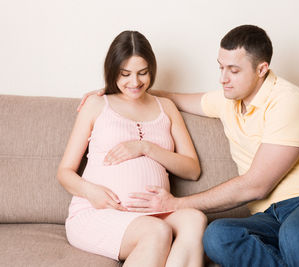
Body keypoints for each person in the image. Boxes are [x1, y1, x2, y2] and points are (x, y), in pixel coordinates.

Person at [80, 25, 299, 267]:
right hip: (271, 217)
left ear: (261, 69)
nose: (222, 78)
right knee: (217, 235)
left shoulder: (288, 101)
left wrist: (177, 203)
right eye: (221, 67)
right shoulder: (227, 100)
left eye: (234, 70)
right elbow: (171, 98)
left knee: (297, 232)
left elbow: (256, 186)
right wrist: (121, 90)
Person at [57, 30, 207, 267]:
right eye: (125, 74)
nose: (135, 82)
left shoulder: (166, 107)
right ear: (112, 71)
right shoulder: (96, 104)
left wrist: (146, 148)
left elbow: (192, 169)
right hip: (98, 213)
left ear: (152, 70)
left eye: (142, 73)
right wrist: (90, 191)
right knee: (156, 231)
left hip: (152, 213)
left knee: (194, 219)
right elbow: (64, 172)